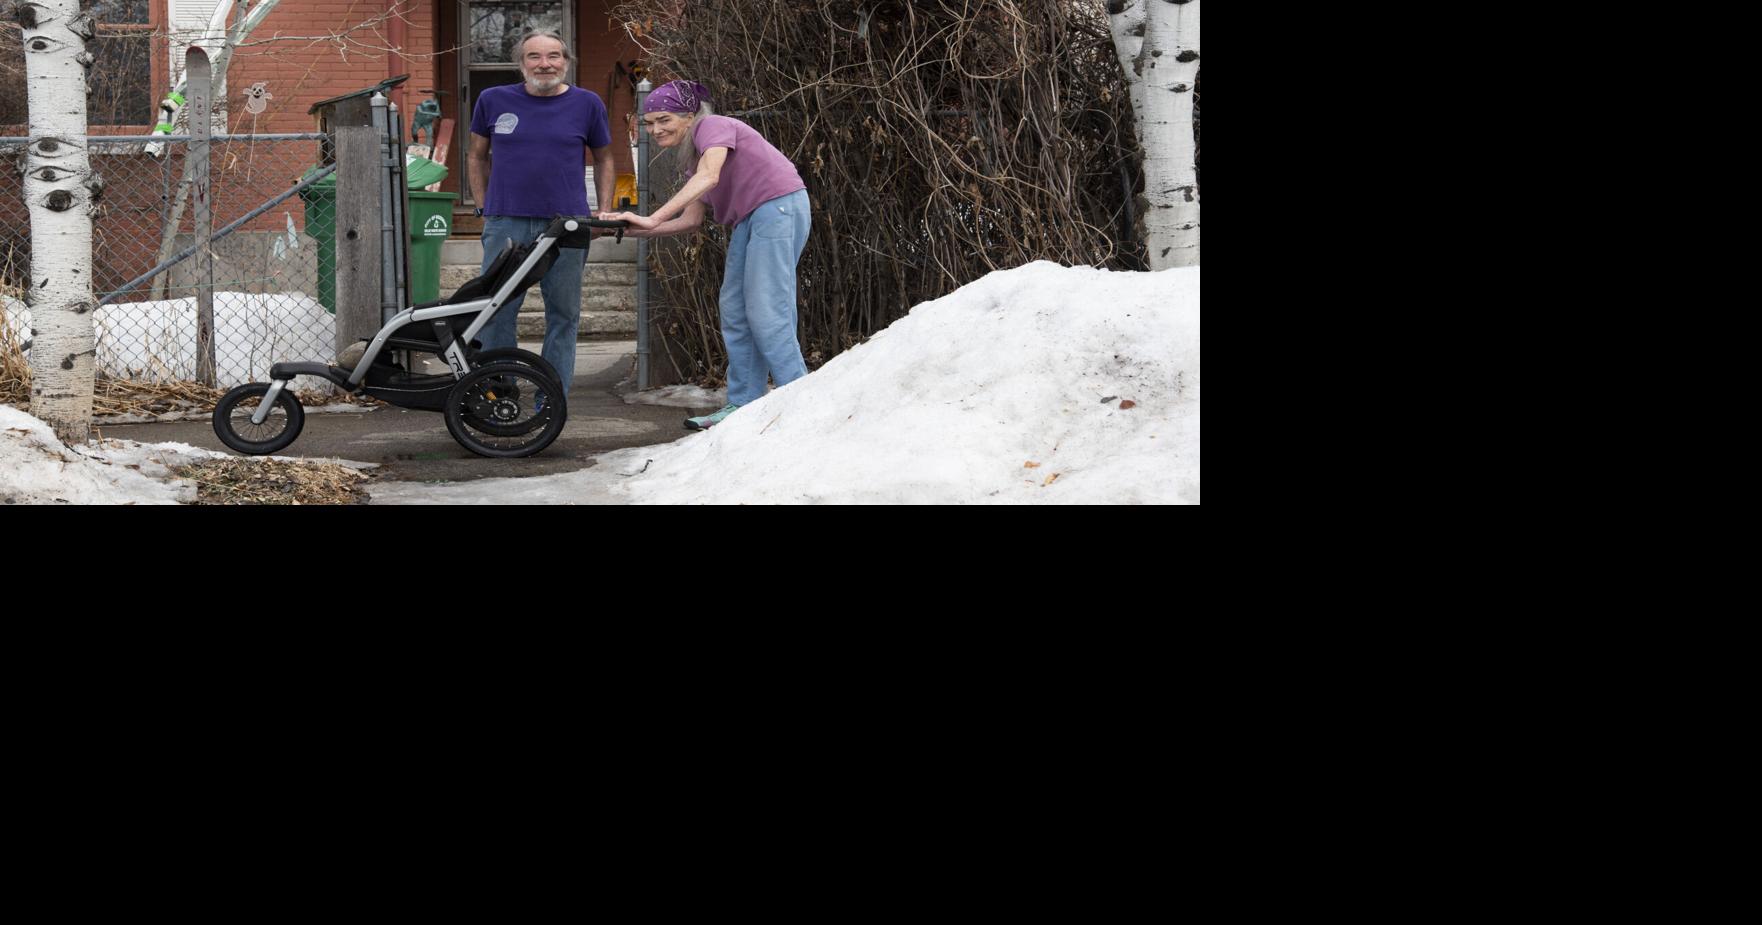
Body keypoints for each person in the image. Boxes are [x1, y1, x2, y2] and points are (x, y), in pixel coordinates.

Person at [601, 80, 811, 431]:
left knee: (766, 308)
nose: (655, 129)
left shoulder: (712, 127)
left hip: (778, 208)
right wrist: (634, 229)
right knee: (735, 310)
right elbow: (692, 220)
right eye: (650, 122)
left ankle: (802, 401)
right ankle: (743, 404)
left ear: (689, 116)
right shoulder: (693, 159)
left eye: (664, 119)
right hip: (750, 218)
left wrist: (652, 216)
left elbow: (710, 176)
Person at [467, 29, 617, 392]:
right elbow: (476, 155)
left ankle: (553, 397)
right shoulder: (492, 99)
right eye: (534, 56)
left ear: (566, 62)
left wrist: (605, 212)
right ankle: (501, 393)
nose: (545, 63)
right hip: (507, 222)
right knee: (497, 310)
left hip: (567, 224)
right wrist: (485, 206)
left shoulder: (588, 103)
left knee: (563, 314)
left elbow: (605, 159)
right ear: (521, 64)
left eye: (554, 56)